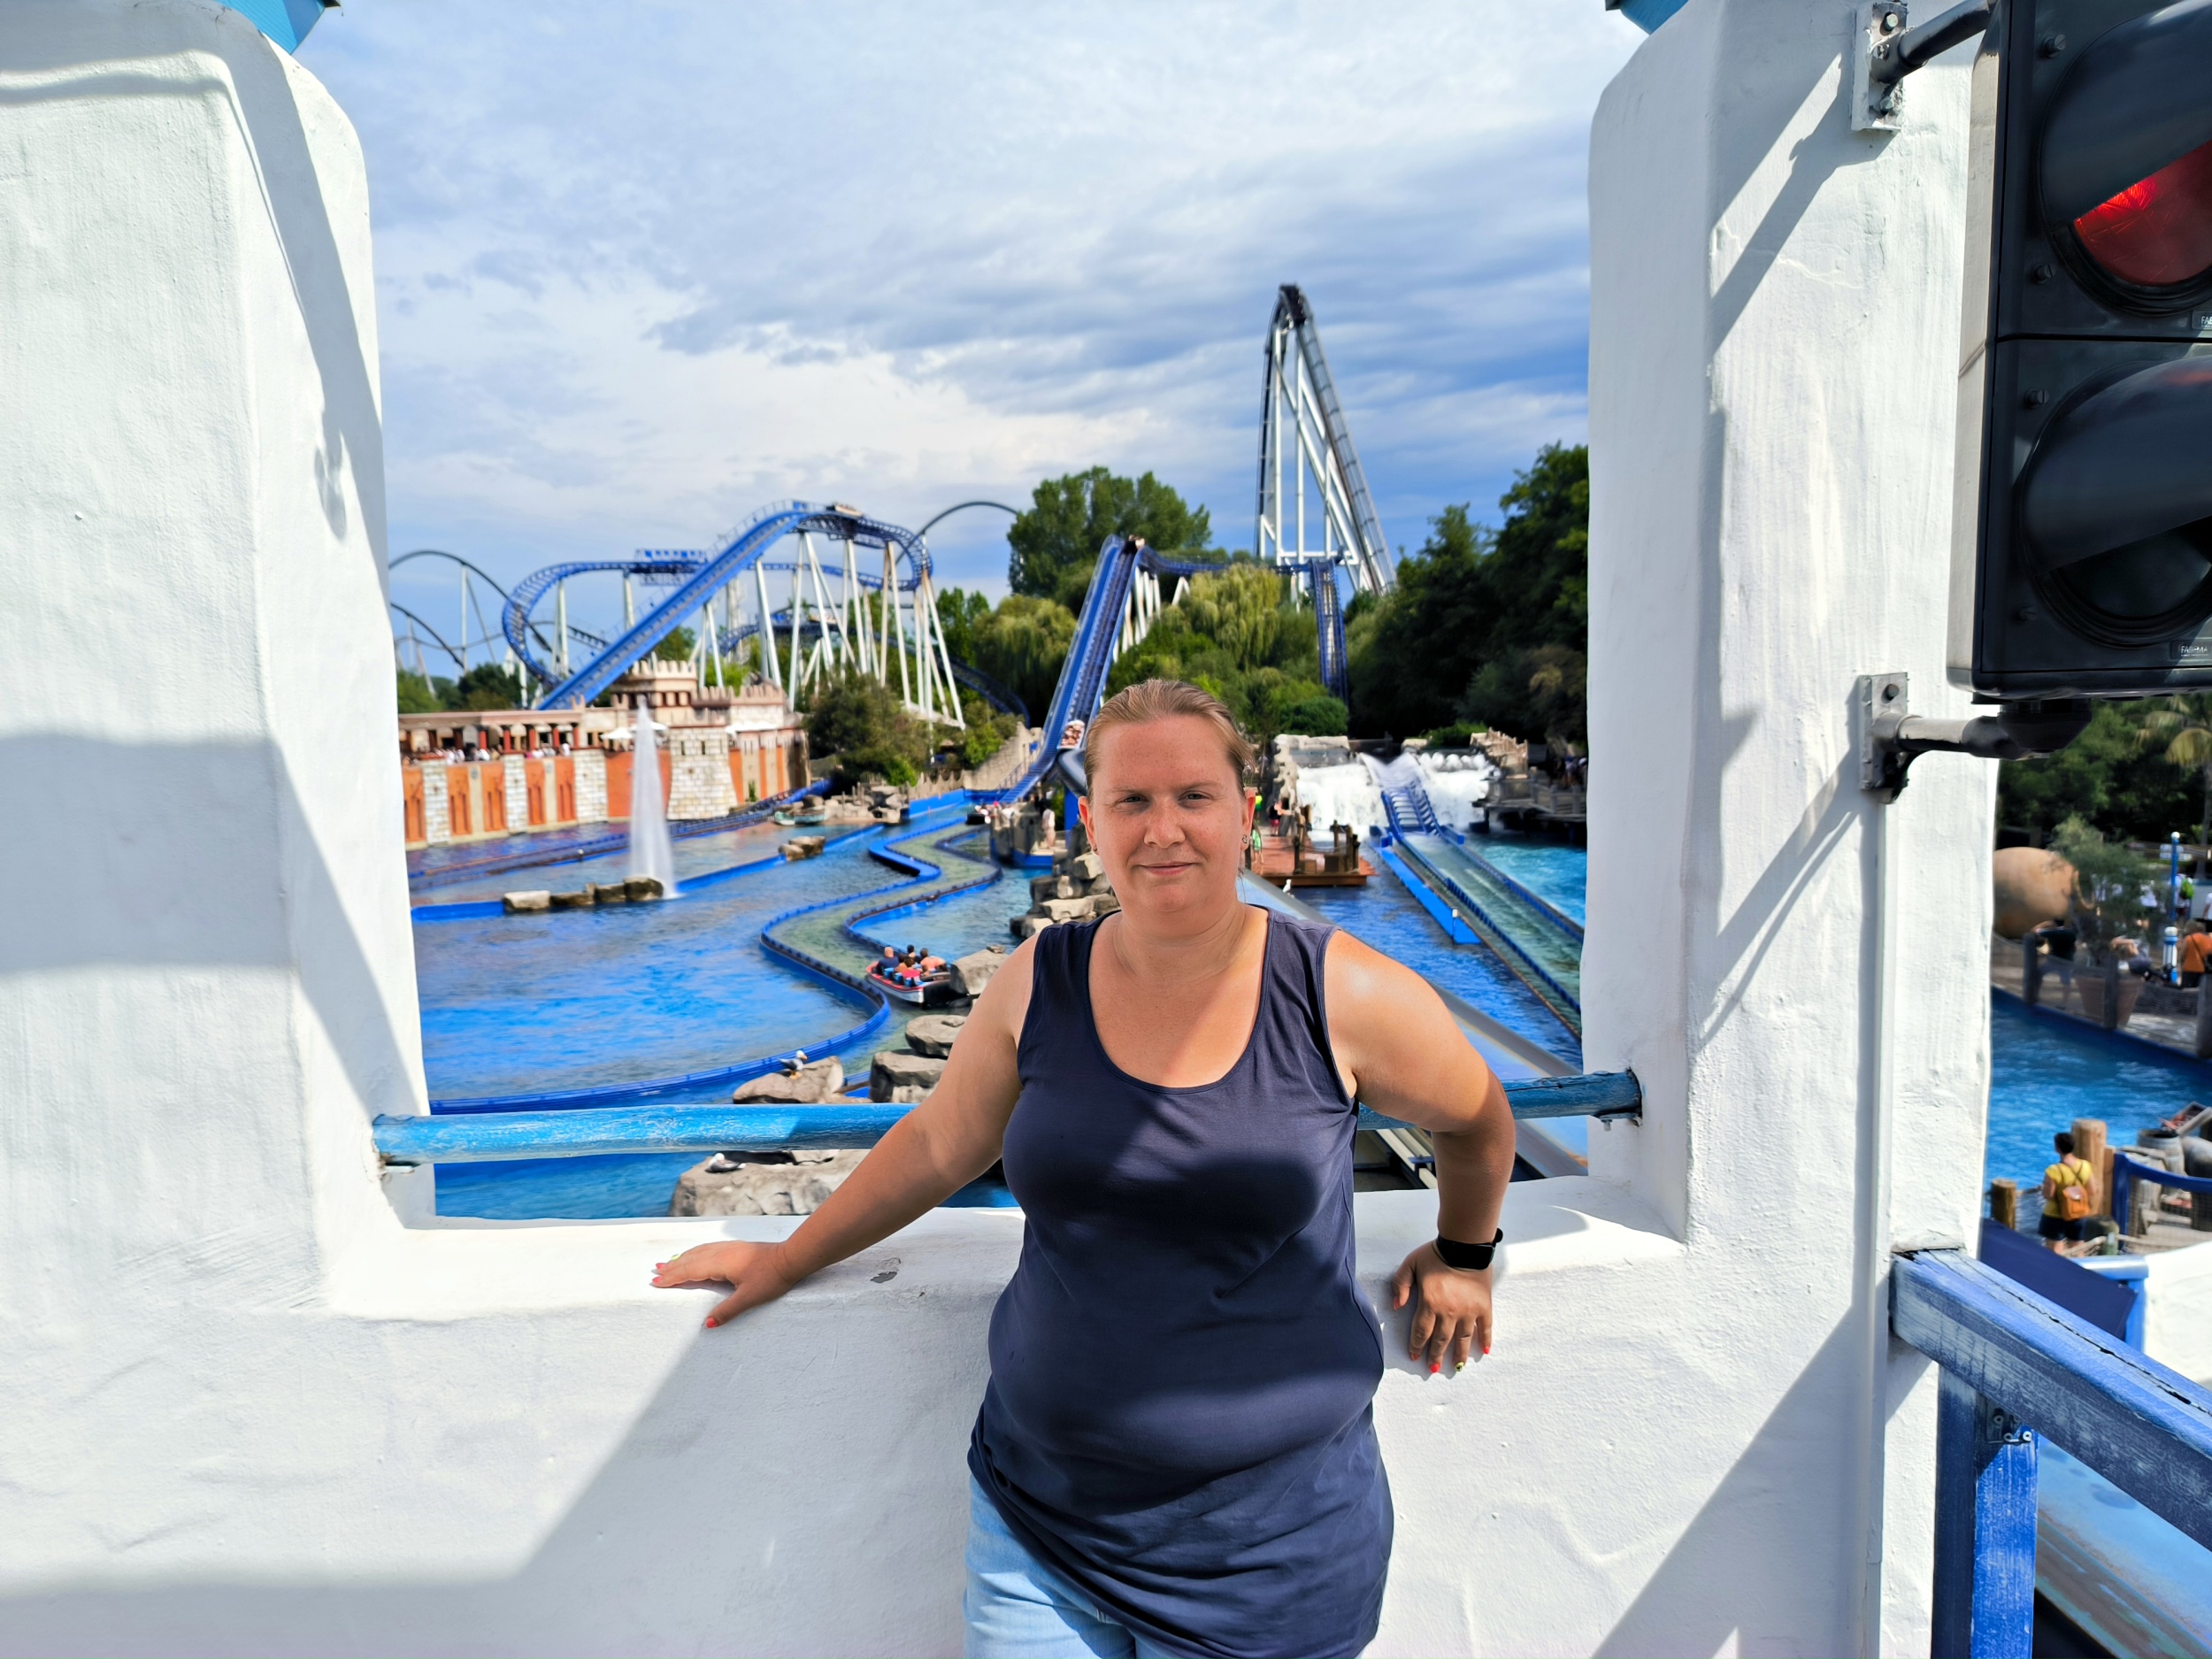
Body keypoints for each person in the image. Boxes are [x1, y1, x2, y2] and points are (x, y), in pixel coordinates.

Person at [652, 679, 1516, 1658]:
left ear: (1246, 813)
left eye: (1193, 797)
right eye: (1130, 802)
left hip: (1271, 1556)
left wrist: (1463, 1253)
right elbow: (942, 1142)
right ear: (1091, 824)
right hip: (1037, 1532)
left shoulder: (1339, 992)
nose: (1163, 830)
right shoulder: (1039, 978)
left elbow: (1479, 1117)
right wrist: (785, 1259)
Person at [2040, 1132, 2099, 1254]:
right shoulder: (2085, 1166)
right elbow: (2092, 1191)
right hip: (2077, 1214)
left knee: (2054, 1252)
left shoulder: (2054, 1171)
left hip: (2055, 1216)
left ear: (2057, 1148)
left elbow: (2048, 1195)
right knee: (2078, 1250)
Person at [2180, 920, 2212, 989]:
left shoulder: (2189, 938)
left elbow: (2183, 953)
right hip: (2201, 970)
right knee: (2197, 991)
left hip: (2188, 969)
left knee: (2186, 990)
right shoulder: (2208, 939)